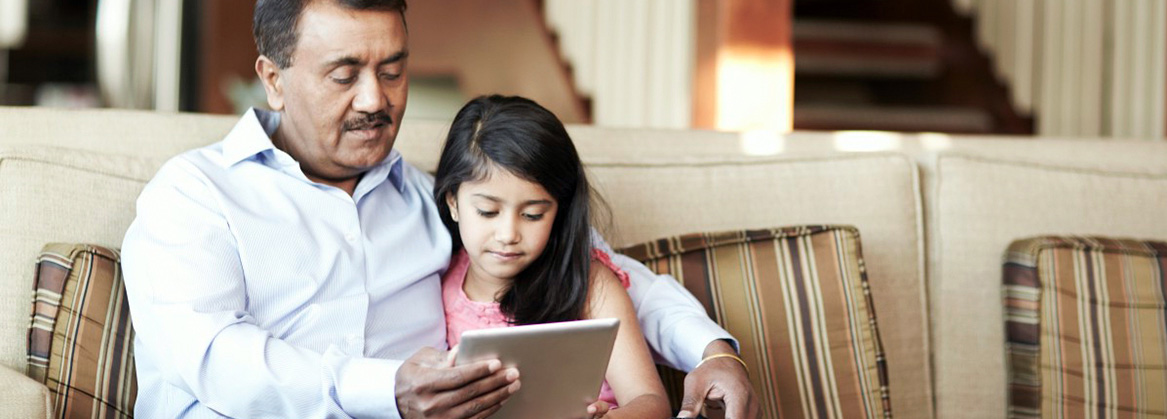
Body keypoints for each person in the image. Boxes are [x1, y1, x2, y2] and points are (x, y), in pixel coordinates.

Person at [120, 0, 759, 418]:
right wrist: (386, 388)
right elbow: (213, 357)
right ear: (274, 77)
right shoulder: (195, 195)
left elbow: (599, 273)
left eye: (393, 70)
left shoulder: (438, 203)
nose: (376, 99)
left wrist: (712, 351)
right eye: (345, 75)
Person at [434, 95, 666, 418]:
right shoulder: (437, 283)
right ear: (453, 202)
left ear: (559, 210)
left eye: (532, 215)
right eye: (488, 211)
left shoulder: (588, 284)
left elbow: (651, 402)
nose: (508, 234)